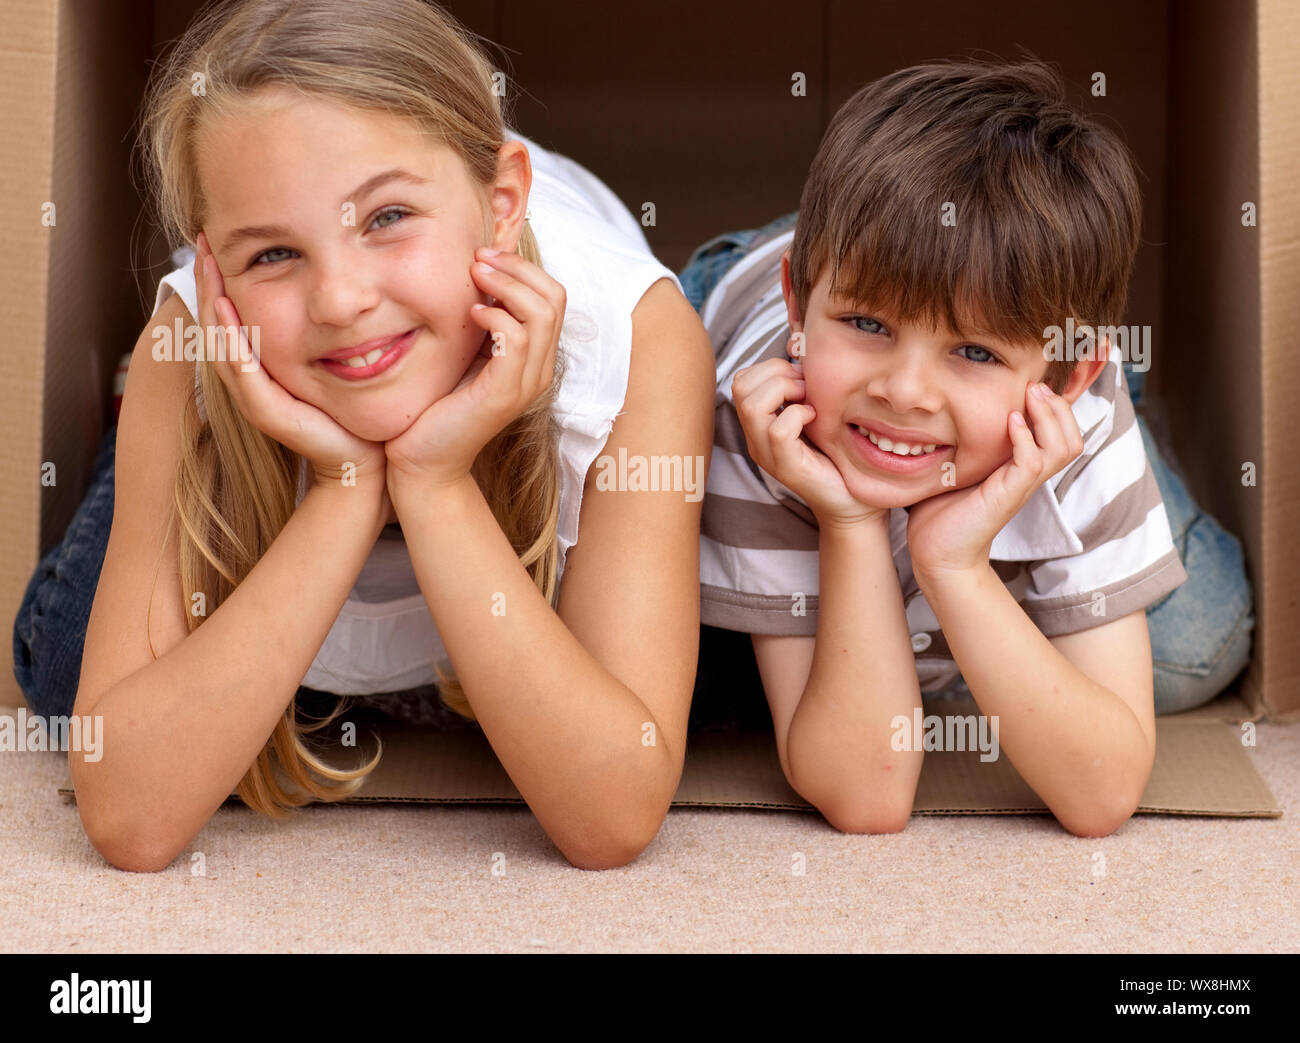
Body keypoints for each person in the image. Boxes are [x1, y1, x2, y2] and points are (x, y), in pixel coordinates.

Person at [14, 0, 713, 873]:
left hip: (520, 511)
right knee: (72, 664)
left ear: (502, 205)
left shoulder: (635, 336)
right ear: (214, 270)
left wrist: (436, 480)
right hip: (264, 429)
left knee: (691, 677)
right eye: (272, 254)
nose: (340, 300)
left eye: (385, 219)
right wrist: (345, 490)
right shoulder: (191, 341)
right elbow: (128, 818)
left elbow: (612, 817)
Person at [685, 59, 1254, 838]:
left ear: (1068, 379)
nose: (905, 390)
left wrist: (951, 565)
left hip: (1006, 362)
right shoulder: (766, 415)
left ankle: (1129, 413)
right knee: (726, 686)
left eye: (975, 353)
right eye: (868, 326)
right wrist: (849, 524)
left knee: (1196, 644)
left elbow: (1101, 795)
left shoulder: (1075, 412)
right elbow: (864, 795)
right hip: (784, 278)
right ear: (799, 302)